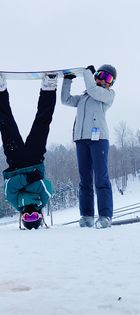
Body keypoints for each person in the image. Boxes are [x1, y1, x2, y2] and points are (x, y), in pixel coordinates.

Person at [0, 73, 58, 229]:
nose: (30, 213)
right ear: (41, 215)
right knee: (42, 122)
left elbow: (9, 186)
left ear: (21, 217)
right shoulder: (43, 200)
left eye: (27, 217)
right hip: (35, 159)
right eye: (34, 216)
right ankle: (49, 88)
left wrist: (27, 180)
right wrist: (26, 183)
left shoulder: (15, 203)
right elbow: (46, 186)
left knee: (6, 123)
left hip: (15, 161)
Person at [61, 64, 117, 228]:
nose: (103, 80)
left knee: (101, 177)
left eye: (108, 78)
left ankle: (105, 216)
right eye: (101, 75)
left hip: (99, 139)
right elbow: (66, 100)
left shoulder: (107, 95)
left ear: (111, 83)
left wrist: (87, 73)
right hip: (81, 140)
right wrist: (67, 80)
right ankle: (86, 216)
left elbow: (93, 90)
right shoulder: (84, 97)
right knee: (85, 179)